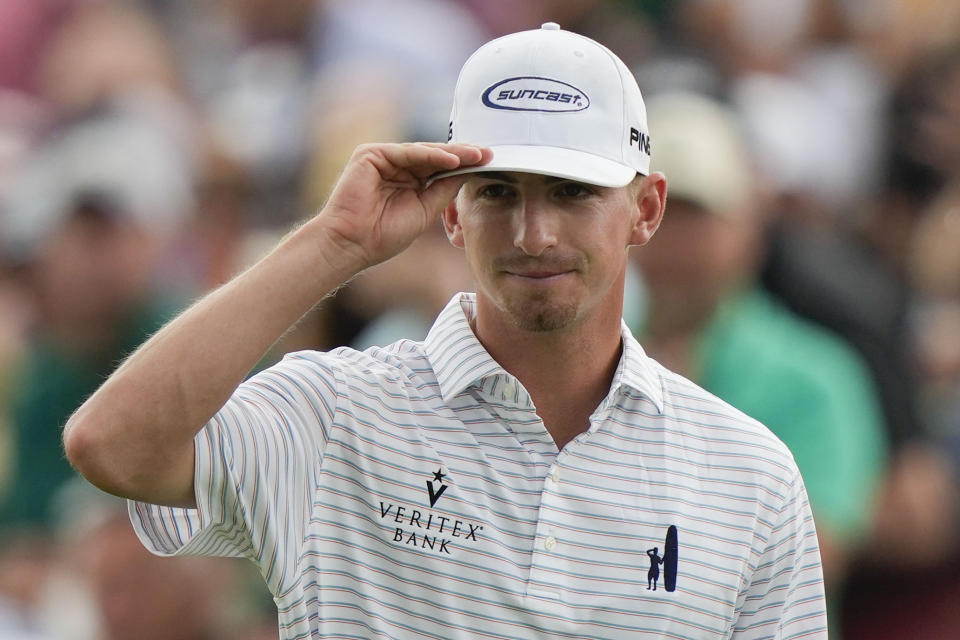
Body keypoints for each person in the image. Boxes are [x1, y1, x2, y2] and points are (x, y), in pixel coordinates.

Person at [64, 23, 827, 638]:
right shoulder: (334, 413)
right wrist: (334, 244)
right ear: (453, 212)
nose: (533, 233)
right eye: (499, 191)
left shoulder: (750, 476)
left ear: (646, 209)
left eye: (571, 192)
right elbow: (111, 443)